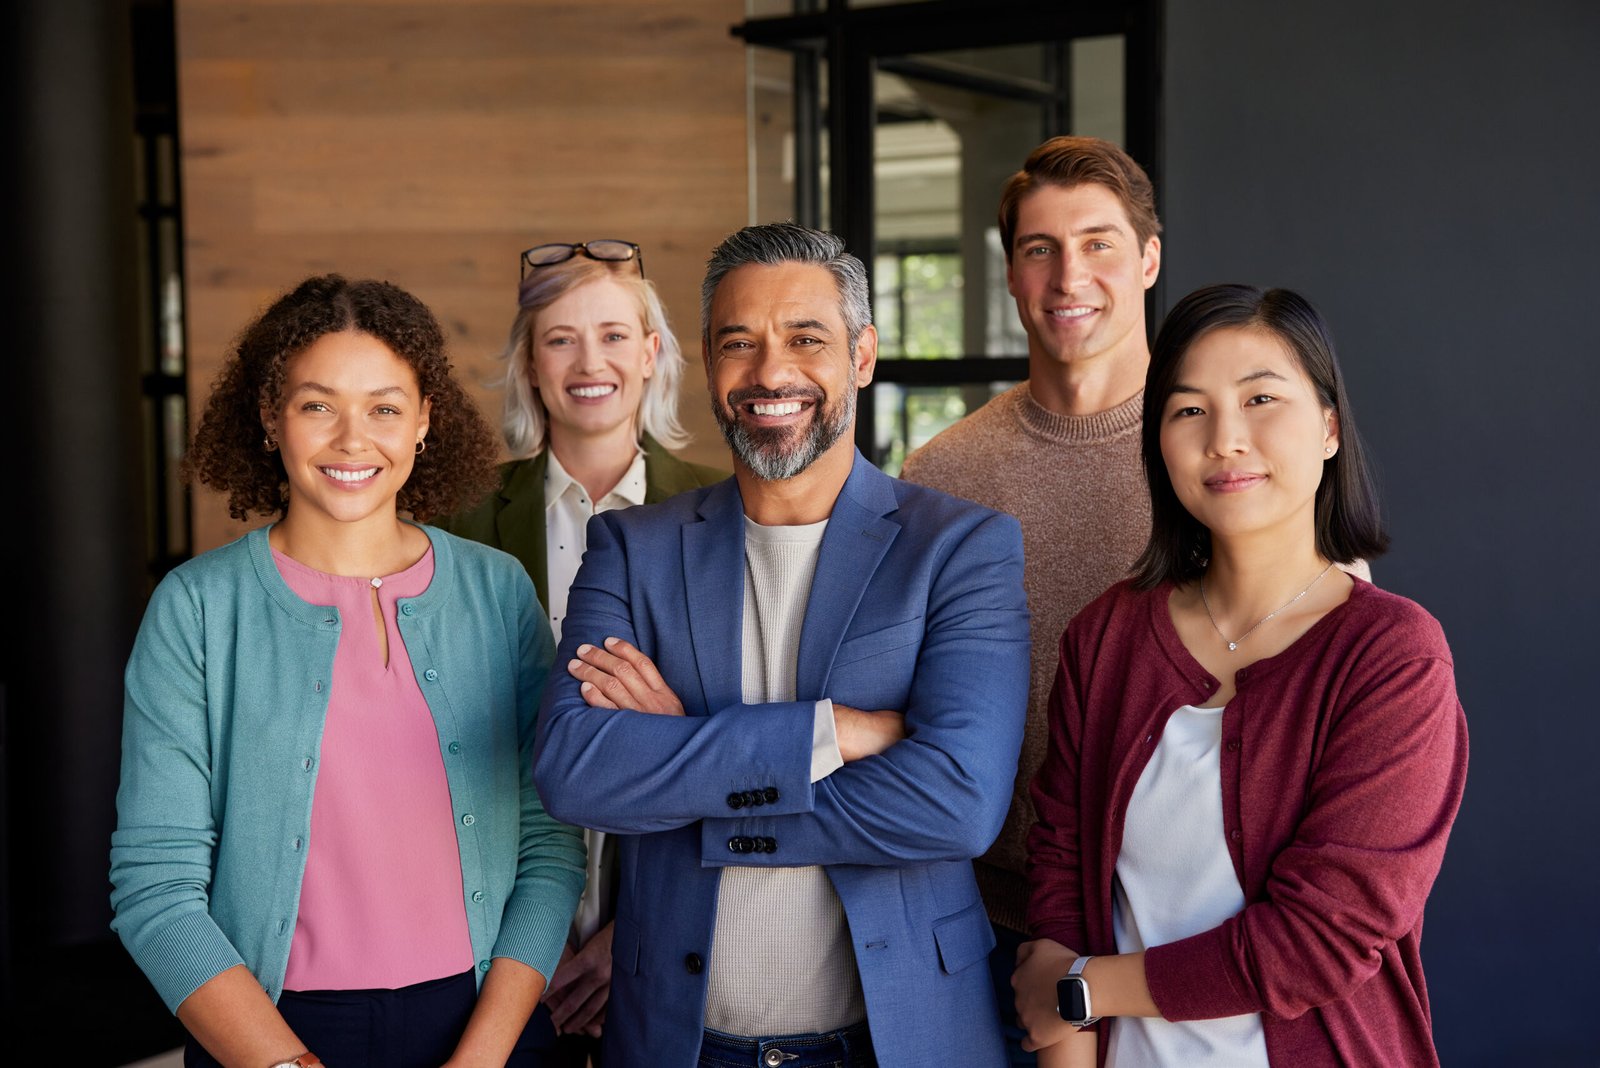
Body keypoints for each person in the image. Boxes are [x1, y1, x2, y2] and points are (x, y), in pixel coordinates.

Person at [897, 137, 1365, 1062]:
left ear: (1149, 259)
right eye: (1039, 249)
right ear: (1010, 273)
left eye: (1101, 242)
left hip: (1206, 925)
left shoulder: (1231, 454)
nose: (1070, 275)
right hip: (991, 916)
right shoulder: (940, 473)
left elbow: (1327, 630)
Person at [532, 223, 1031, 1067]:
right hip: (680, 1044)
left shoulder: (959, 548)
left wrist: (691, 760)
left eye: (806, 339)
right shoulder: (632, 548)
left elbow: (959, 803)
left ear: (863, 355)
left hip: (898, 1038)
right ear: (708, 361)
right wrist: (828, 734)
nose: (771, 373)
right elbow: (574, 770)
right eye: (740, 343)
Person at [110, 275, 585, 1068]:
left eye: (385, 408)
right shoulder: (195, 609)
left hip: (489, 1026)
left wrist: (485, 1055)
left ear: (425, 421)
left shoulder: (499, 592)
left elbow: (549, 842)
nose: (352, 440)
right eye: (317, 405)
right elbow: (156, 889)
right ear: (271, 418)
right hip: (269, 1036)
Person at [1014, 285, 1468, 1067]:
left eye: (1261, 398)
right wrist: (1070, 1030)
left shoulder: (1393, 654)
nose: (1226, 439)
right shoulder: (1107, 636)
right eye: (1189, 410)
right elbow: (1062, 871)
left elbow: (1319, 940)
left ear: (1328, 428)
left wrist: (1086, 989)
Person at [438, 239, 723, 1062]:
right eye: (560, 338)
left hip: (678, 918)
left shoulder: (726, 510)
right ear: (529, 363)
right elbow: (439, 737)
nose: (588, 360)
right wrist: (530, 946)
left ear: (652, 353)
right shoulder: (455, 521)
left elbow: (738, 734)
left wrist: (628, 934)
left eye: (613, 334)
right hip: (491, 928)